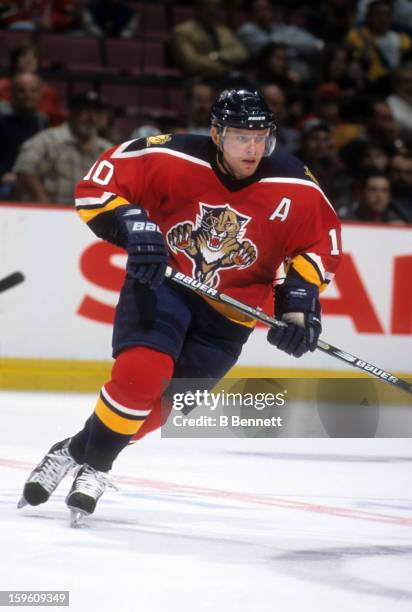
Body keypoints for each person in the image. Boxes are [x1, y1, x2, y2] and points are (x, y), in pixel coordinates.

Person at [18, 89, 342, 523]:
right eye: (241, 137)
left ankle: (74, 449)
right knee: (139, 380)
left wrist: (298, 307)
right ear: (215, 133)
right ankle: (97, 466)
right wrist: (134, 226)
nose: (252, 148)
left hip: (230, 316)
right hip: (165, 283)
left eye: (260, 137)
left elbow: (315, 248)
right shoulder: (171, 155)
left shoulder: (296, 184)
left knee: (152, 414)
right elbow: (96, 186)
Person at [13, 90, 112, 204]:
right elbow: (24, 168)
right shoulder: (48, 139)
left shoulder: (107, 149)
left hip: (89, 215)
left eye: (98, 113)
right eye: (86, 112)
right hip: (50, 212)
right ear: (72, 113)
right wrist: (42, 201)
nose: (92, 118)